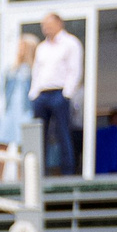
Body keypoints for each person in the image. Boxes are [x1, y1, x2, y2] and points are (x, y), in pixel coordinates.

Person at [32, 11, 84, 176]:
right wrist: (34, 94)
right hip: (42, 95)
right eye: (43, 26)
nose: (45, 28)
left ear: (59, 24)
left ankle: (68, 172)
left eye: (48, 25)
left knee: (63, 134)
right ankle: (40, 173)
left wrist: (66, 94)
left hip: (59, 93)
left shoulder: (71, 43)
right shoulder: (42, 48)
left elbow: (75, 70)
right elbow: (37, 71)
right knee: (40, 136)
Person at [0, 32, 38, 147]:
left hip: (26, 110)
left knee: (24, 144)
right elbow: (4, 88)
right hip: (10, 109)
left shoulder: (35, 69)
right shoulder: (11, 69)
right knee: (2, 142)